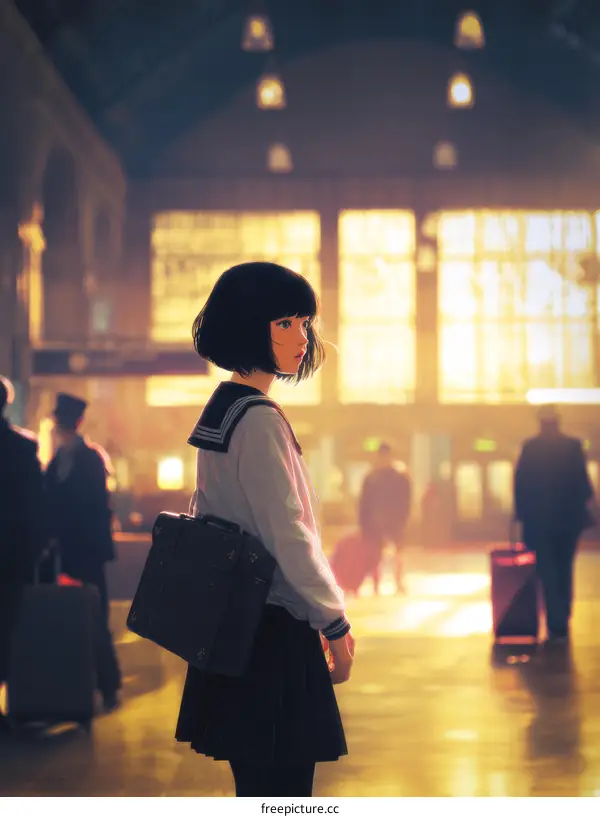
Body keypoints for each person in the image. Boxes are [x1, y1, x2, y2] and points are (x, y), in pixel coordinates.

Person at [175, 261, 355, 797]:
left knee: (256, 788)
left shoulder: (224, 409)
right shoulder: (258, 418)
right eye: (284, 323)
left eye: (304, 322)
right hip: (274, 634)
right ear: (247, 325)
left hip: (236, 626)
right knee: (285, 790)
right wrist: (333, 620)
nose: (301, 337)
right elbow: (288, 533)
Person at [45, 392, 122, 710]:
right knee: (85, 616)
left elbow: (85, 507)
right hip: (74, 550)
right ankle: (95, 685)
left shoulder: (81, 459)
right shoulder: (72, 458)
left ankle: (105, 684)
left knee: (92, 616)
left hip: (82, 550)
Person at [514, 405, 595, 642]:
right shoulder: (572, 446)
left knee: (546, 569)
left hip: (538, 522)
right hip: (568, 522)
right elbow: (584, 486)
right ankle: (563, 616)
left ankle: (554, 618)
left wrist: (521, 515)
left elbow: (520, 484)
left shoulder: (530, 447)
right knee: (564, 567)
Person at [0, 376, 47, 734]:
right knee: (5, 630)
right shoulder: (23, 447)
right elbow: (36, 506)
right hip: (11, 556)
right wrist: (35, 552)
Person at [358, 443, 411, 594]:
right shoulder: (399, 475)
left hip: (378, 520)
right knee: (394, 552)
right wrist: (404, 518)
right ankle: (394, 583)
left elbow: (364, 502)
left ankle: (381, 584)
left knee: (381, 553)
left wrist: (363, 523)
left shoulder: (372, 476)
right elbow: (406, 500)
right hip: (391, 520)